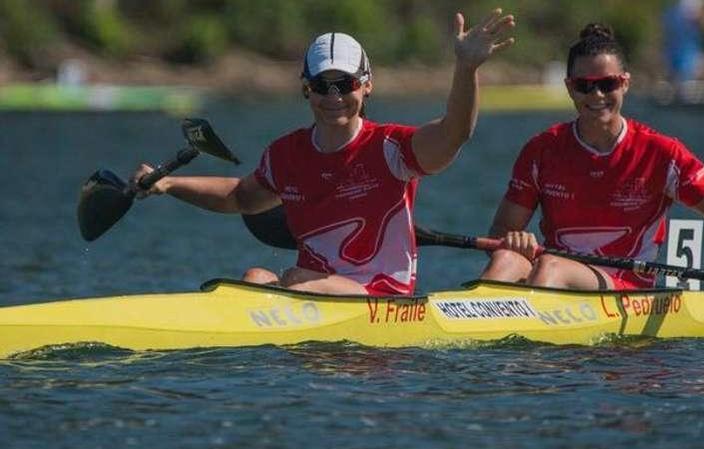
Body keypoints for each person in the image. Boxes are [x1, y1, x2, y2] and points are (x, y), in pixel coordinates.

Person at [130, 9, 515, 296]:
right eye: (321, 85)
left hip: (379, 299)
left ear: (366, 87)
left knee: (291, 281)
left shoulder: (392, 149)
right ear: (305, 88)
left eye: (344, 84)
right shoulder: (285, 154)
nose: (333, 98)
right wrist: (170, 183)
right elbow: (242, 197)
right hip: (313, 290)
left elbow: (455, 132)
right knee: (254, 277)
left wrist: (466, 68)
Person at [480, 23, 704, 293]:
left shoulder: (663, 153)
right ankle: (480, 335)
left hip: (626, 284)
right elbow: (501, 230)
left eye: (607, 84)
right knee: (506, 259)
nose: (596, 95)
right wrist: (514, 240)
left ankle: (526, 345)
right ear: (570, 88)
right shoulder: (541, 150)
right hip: (557, 273)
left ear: (625, 83)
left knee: (549, 267)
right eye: (585, 85)